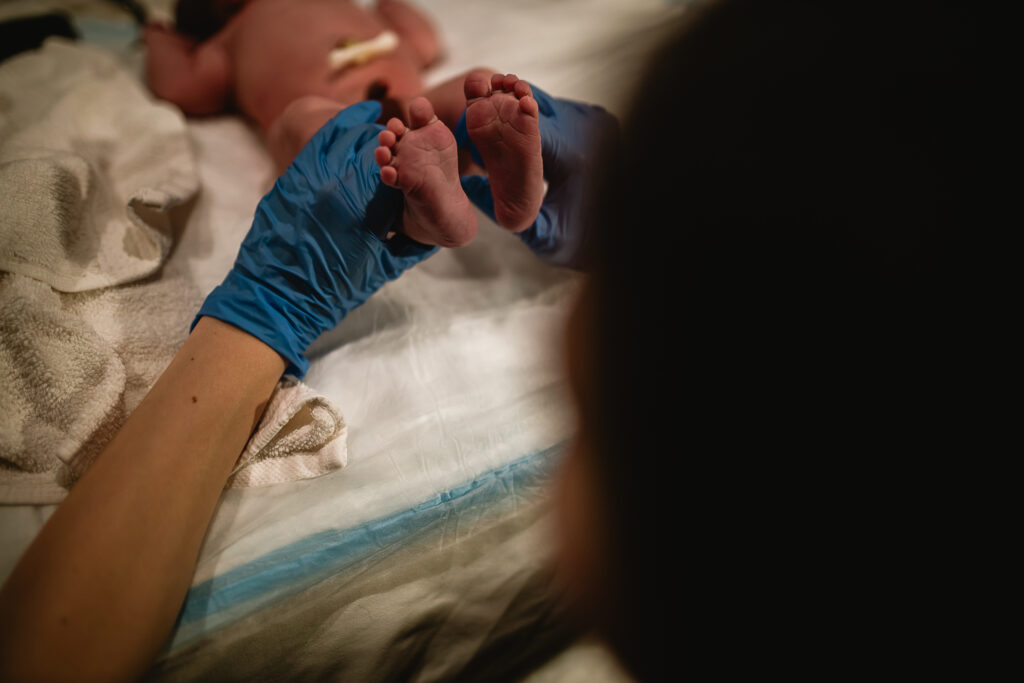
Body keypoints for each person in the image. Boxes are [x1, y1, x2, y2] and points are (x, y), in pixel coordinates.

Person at [0, 0, 979, 679]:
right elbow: (206, 71)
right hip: (402, 107)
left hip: (375, 122)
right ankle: (490, 182)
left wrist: (264, 307)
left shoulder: (261, 29)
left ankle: (469, 185)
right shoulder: (247, 28)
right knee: (411, 110)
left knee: (358, 117)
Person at [144, 0, 591, 249]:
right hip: (405, 112)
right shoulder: (232, 36)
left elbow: (182, 84)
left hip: (382, 123)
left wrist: (158, 39)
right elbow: (422, 42)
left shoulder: (238, 38)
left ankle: (446, 186)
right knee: (470, 87)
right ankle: (442, 181)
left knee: (302, 120)